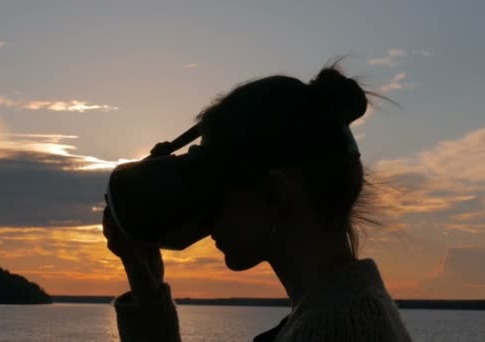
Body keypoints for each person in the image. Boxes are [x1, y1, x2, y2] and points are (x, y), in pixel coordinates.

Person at [102, 63, 414, 341]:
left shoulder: (337, 330)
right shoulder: (338, 313)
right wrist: (144, 279)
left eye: (216, 187)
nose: (207, 210)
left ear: (274, 193)